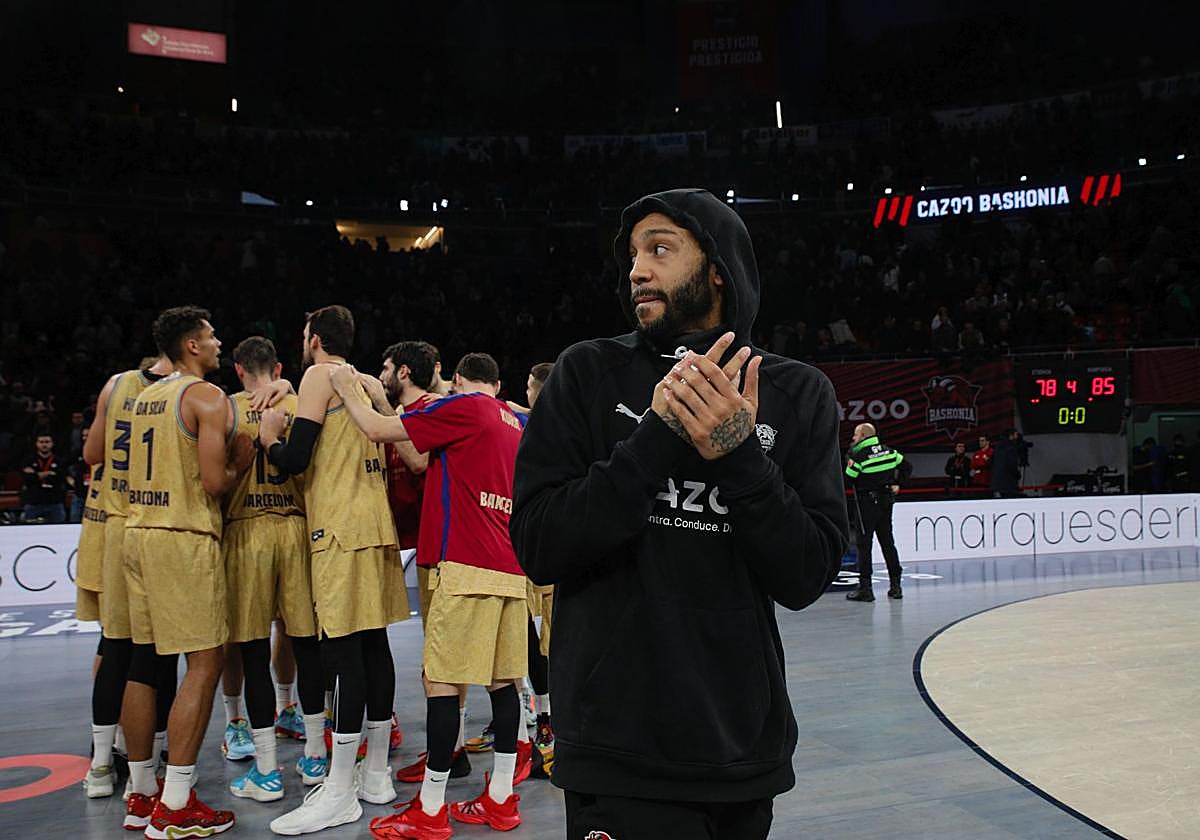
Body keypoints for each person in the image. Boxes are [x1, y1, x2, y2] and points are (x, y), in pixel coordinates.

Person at [511, 188, 848, 839]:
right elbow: (539, 545)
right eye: (632, 253)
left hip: (741, 754)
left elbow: (806, 574)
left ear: (717, 267)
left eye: (660, 249)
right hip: (615, 756)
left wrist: (741, 456)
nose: (637, 268)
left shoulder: (798, 392)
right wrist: (658, 436)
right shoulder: (586, 374)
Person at [328, 351, 531, 837]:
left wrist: (344, 386)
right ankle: (501, 799)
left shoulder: (463, 407)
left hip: (464, 564)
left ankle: (431, 808)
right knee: (504, 684)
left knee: (441, 685)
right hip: (509, 566)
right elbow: (421, 460)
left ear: (458, 380)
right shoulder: (511, 420)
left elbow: (378, 432)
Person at [259, 305, 406, 836]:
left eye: (303, 334)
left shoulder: (318, 374)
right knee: (375, 646)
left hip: (338, 530)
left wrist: (268, 438)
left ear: (315, 340)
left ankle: (339, 791)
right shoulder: (366, 381)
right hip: (376, 525)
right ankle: (376, 776)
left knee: (342, 653)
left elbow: (296, 459)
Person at [124, 305, 256, 838]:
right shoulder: (206, 396)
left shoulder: (145, 395)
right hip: (183, 537)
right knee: (205, 663)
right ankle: (176, 805)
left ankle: (140, 793)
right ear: (192, 345)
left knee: (141, 663)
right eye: (212, 334)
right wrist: (243, 457)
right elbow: (213, 482)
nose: (220, 342)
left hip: (137, 531)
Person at [221, 336, 327, 802]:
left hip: (245, 532)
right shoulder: (303, 401)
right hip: (297, 529)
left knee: (250, 650)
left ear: (239, 369)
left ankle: (265, 770)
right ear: (279, 366)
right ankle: (317, 756)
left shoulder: (224, 407)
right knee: (307, 647)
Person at [84, 350, 179, 814]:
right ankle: (151, 764)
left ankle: (102, 762)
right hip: (160, 525)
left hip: (114, 523)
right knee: (157, 653)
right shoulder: (189, 393)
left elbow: (91, 454)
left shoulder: (116, 383)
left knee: (114, 645)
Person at [844, 423, 912, 601]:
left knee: (864, 546)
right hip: (886, 501)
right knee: (888, 542)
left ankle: (866, 589)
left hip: (867, 504)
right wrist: (897, 483)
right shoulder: (889, 452)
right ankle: (896, 586)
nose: (853, 438)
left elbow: (849, 478)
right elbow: (907, 467)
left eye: (856, 435)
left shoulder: (859, 456)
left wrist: (849, 461)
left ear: (864, 436)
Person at [21, 433, 66, 523]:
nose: (44, 445)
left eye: (47, 442)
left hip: (55, 503)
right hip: (34, 503)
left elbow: (60, 478)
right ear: (36, 444)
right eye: (41, 442)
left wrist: (36, 474)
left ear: (52, 444)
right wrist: (48, 473)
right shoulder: (28, 460)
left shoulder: (59, 461)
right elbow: (27, 479)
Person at [990, 428, 1022, 498]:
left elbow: (991, 462)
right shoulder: (1011, 448)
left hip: (996, 484)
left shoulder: (997, 447)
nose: (1018, 436)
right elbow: (1012, 465)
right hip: (1008, 485)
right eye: (1016, 434)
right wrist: (1018, 475)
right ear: (1011, 436)